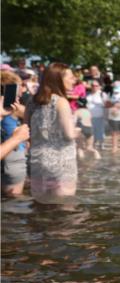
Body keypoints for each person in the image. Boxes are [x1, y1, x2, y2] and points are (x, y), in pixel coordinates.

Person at [26, 63, 80, 200]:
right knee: (64, 208)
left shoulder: (31, 101)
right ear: (58, 79)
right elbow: (69, 134)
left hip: (38, 161)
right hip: (61, 162)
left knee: (40, 208)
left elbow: (26, 130)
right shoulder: (61, 102)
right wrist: (79, 131)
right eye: (71, 77)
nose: (74, 80)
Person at [1, 71, 28, 196]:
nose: (18, 100)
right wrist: (17, 139)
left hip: (10, 163)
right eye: (15, 96)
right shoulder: (14, 110)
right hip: (12, 161)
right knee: (14, 203)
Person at [86, 81, 107, 151]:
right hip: (89, 117)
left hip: (100, 116)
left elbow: (107, 105)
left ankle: (102, 145)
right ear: (91, 86)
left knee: (100, 131)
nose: (94, 87)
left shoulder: (102, 94)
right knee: (92, 132)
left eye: (96, 86)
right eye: (93, 85)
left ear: (99, 86)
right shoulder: (88, 95)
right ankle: (93, 146)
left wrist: (106, 116)